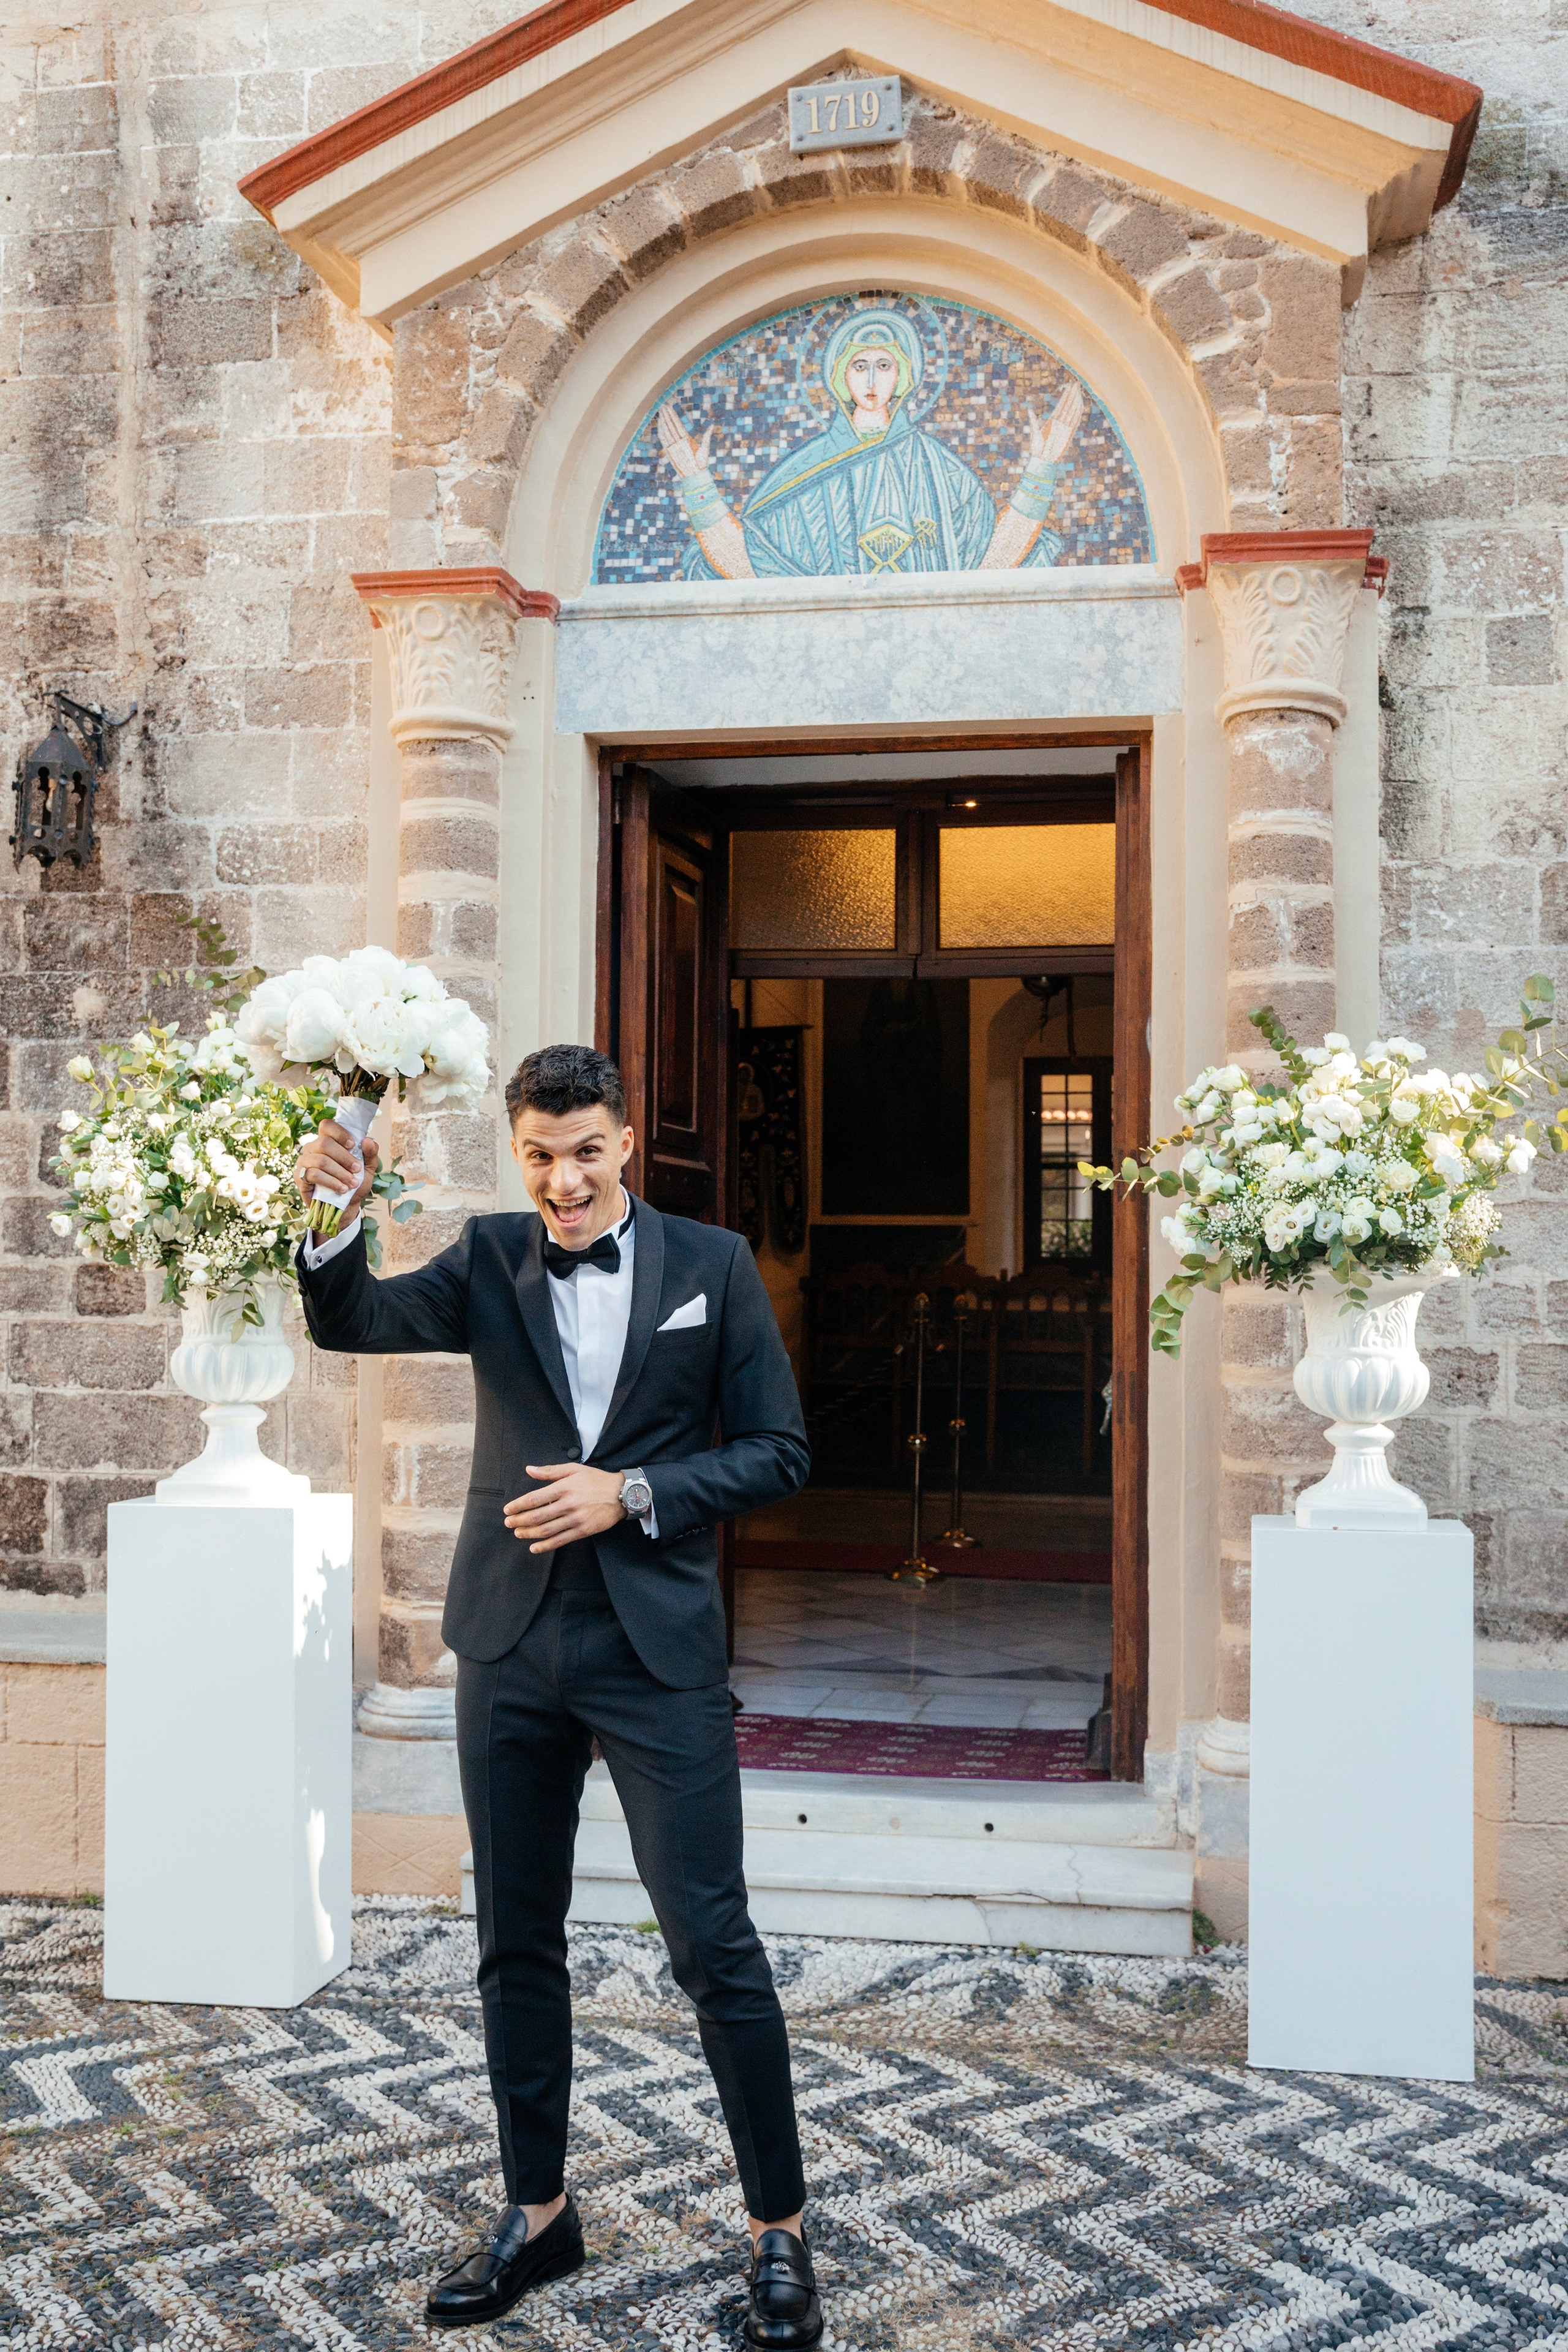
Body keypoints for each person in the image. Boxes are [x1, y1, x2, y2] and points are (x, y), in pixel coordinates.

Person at [293, 1044, 820, 2343]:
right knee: (514, 1938)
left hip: (658, 1653)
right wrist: (334, 1211)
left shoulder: (714, 1267)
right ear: (516, 1151)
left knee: (712, 1943)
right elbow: (351, 1322)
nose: (564, 1181)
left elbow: (779, 1452)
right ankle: (537, 2213)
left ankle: (779, 2231)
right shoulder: (487, 1256)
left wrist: (631, 1492)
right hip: (511, 1642)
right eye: (539, 1155)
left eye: (585, 1152)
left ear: (626, 1141)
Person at [656, 304, 1085, 579]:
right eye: (860, 366)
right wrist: (697, 482)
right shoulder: (804, 470)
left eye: (885, 365)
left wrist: (1041, 467)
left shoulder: (939, 468)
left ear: (903, 376)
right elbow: (752, 565)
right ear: (841, 378)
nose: (873, 380)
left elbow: (990, 561)